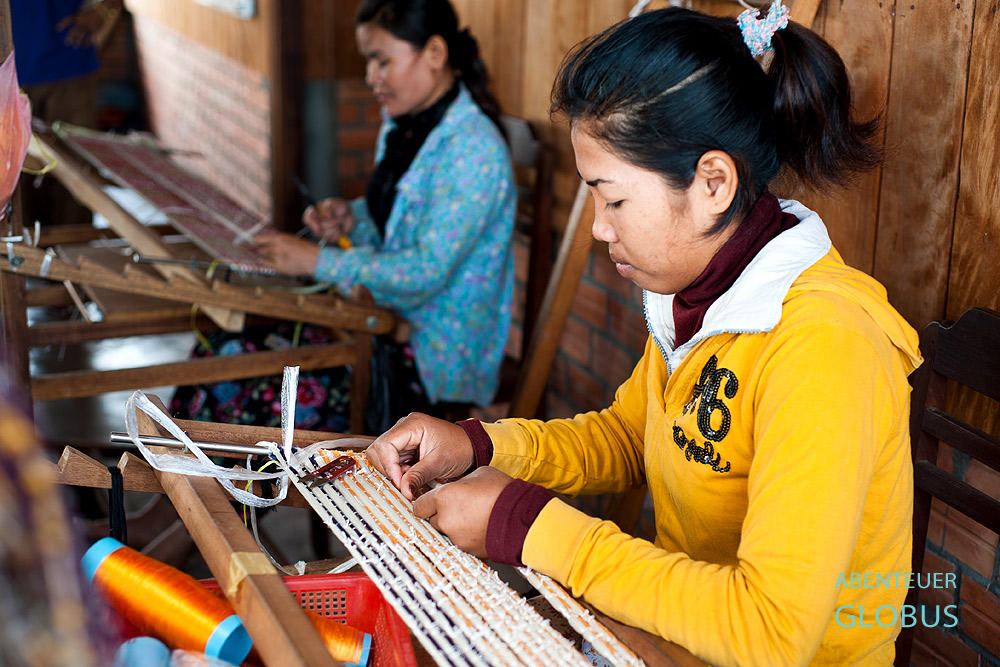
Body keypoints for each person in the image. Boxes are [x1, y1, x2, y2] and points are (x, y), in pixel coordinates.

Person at [365, 4, 922, 666]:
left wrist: (525, 522)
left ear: (713, 182)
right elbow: (629, 439)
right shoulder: (703, 294)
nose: (600, 226)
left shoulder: (824, 345)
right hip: (675, 639)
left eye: (614, 197)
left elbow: (771, 631)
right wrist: (476, 442)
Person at [171, 0, 515, 432]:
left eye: (382, 60)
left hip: (430, 360)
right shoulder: (404, 125)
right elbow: (393, 225)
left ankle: (219, 496)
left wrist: (315, 261)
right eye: (368, 62)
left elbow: (426, 270)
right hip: (379, 326)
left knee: (234, 382)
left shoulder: (474, 151)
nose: (371, 77)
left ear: (434, 54)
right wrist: (351, 218)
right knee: (217, 351)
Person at [10, 0, 124, 227]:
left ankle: (73, 255)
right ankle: (23, 257)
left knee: (76, 174)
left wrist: (103, 10)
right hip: (9, 72)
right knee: (14, 175)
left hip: (69, 69)